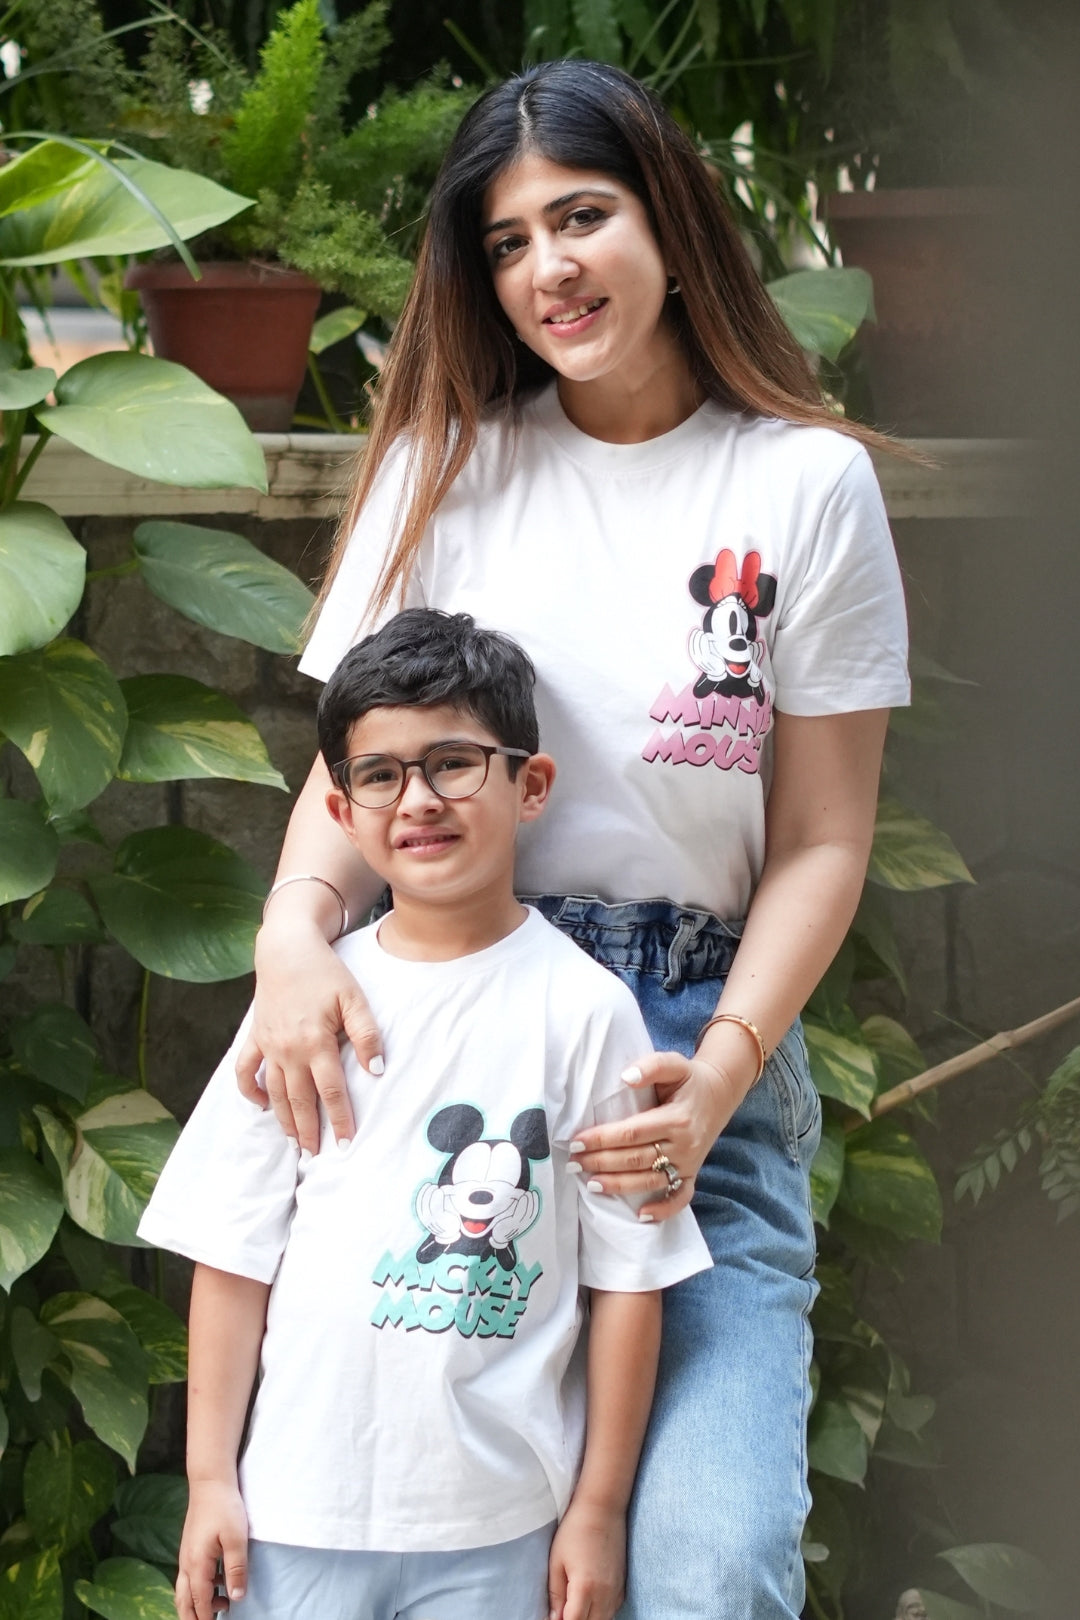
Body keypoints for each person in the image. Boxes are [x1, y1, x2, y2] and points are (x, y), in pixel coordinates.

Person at [238, 58, 911, 1620]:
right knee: (442, 1549)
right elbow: (355, 781)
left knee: (707, 1561)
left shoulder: (805, 484)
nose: (548, 267)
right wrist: (289, 931)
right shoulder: (448, 469)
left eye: (583, 215)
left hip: (688, 1060)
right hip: (451, 1050)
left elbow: (822, 838)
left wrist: (722, 1076)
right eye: (507, 241)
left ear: (669, 216)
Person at [140, 609, 711, 1620]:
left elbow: (628, 1279)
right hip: (293, 1516)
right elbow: (233, 1253)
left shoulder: (585, 1014)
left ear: (530, 786)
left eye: (453, 763)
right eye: (380, 774)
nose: (418, 800)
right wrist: (210, 1480)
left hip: (498, 1527)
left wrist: (599, 1509)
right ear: (342, 809)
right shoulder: (301, 1007)